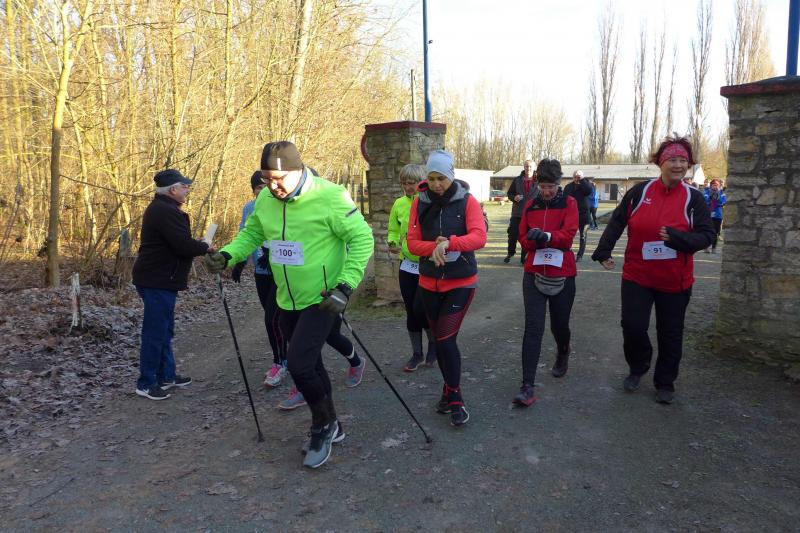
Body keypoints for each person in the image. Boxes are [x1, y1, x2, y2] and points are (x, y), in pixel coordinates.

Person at [206, 141, 373, 468]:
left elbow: (362, 238)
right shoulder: (265, 200)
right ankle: (333, 423)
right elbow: (252, 235)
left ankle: (322, 426)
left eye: (279, 178)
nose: (273, 186)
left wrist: (346, 285)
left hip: (323, 297)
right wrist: (228, 255)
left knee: (298, 365)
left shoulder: (330, 196)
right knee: (311, 364)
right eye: (267, 179)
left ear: (299, 170)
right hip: (286, 297)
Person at [591, 136, 715, 404]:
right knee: (632, 326)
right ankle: (638, 366)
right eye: (673, 159)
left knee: (670, 332)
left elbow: (707, 236)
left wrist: (678, 238)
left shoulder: (694, 198)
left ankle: (665, 382)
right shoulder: (640, 192)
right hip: (638, 276)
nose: (678, 165)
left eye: (683, 160)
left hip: (675, 281)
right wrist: (603, 250)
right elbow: (617, 221)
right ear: (661, 163)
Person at [407, 150, 487, 427]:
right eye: (431, 179)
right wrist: (434, 247)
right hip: (429, 283)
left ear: (451, 176)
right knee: (441, 340)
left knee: (444, 340)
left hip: (460, 282)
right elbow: (411, 243)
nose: (436, 184)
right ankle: (447, 391)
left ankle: (455, 399)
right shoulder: (419, 202)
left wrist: (450, 243)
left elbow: (479, 237)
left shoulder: (467, 201)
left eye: (441, 178)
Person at [132, 169, 213, 400]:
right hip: (157, 280)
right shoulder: (165, 211)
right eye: (184, 186)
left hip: (160, 279)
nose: (187, 190)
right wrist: (205, 247)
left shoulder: (164, 209)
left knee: (164, 330)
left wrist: (198, 245)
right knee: (155, 332)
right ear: (173, 189)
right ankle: (146, 383)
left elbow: (179, 242)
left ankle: (166, 376)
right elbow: (183, 246)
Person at [513, 159, 579, 407]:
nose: (547, 191)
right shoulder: (531, 205)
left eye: (551, 186)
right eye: (543, 186)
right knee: (533, 327)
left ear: (559, 184)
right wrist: (533, 240)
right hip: (534, 272)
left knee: (559, 325)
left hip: (563, 271)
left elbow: (568, 236)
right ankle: (527, 385)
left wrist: (547, 236)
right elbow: (522, 237)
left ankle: (563, 350)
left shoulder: (569, 203)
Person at [230, 172, 286, 387]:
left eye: (265, 187)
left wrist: (273, 256)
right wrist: (239, 262)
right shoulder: (249, 208)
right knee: (273, 318)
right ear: (253, 191)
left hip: (282, 272)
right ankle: (285, 355)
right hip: (261, 272)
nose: (262, 191)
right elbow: (246, 235)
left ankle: (281, 362)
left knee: (272, 319)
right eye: (258, 188)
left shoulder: (283, 205)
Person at [387, 164, 437, 372]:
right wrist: (392, 241)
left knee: (421, 308)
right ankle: (417, 354)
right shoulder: (399, 204)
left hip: (426, 264)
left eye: (412, 183)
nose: (408, 187)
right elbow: (393, 228)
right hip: (406, 264)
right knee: (410, 310)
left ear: (421, 183)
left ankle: (433, 346)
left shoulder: (429, 202)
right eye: (404, 183)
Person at [504, 160, 538, 264]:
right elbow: (509, 193)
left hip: (532, 214)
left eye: (530, 167)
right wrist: (514, 197)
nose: (528, 168)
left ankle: (524, 258)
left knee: (528, 236)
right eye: (526, 166)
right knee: (512, 234)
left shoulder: (539, 181)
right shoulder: (517, 180)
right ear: (524, 167)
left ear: (534, 168)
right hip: (517, 213)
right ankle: (510, 253)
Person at [563, 170, 592, 261]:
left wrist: (582, 180)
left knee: (583, 236)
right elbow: (564, 199)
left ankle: (580, 255)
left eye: (579, 177)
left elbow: (588, 191)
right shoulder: (569, 186)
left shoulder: (586, 185)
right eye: (575, 177)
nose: (577, 179)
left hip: (584, 215)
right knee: (569, 235)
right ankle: (567, 251)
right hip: (572, 215)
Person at [703, 178, 727, 253]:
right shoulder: (706, 192)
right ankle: (706, 247)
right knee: (707, 231)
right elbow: (704, 200)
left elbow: (724, 202)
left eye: (716, 185)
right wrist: (710, 198)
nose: (715, 186)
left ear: (719, 186)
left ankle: (714, 248)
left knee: (716, 232)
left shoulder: (722, 193)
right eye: (713, 185)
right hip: (708, 214)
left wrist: (718, 200)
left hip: (717, 215)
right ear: (711, 186)